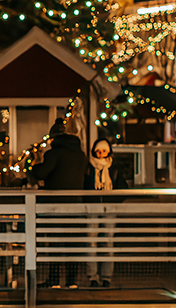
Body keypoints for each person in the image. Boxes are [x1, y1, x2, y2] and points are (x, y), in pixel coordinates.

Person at [30, 120, 88, 288]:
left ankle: (54, 280)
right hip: (76, 206)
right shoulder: (80, 155)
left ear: (54, 139)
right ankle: (72, 282)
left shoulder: (53, 154)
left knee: (55, 243)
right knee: (73, 245)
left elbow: (41, 173)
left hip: (55, 206)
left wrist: (34, 166)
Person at [85, 138, 116, 288]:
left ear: (108, 151)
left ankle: (106, 277)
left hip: (108, 206)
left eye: (103, 150)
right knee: (92, 241)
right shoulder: (88, 167)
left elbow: (121, 185)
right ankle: (92, 276)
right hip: (93, 205)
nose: (100, 153)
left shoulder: (113, 167)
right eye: (98, 150)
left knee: (107, 241)